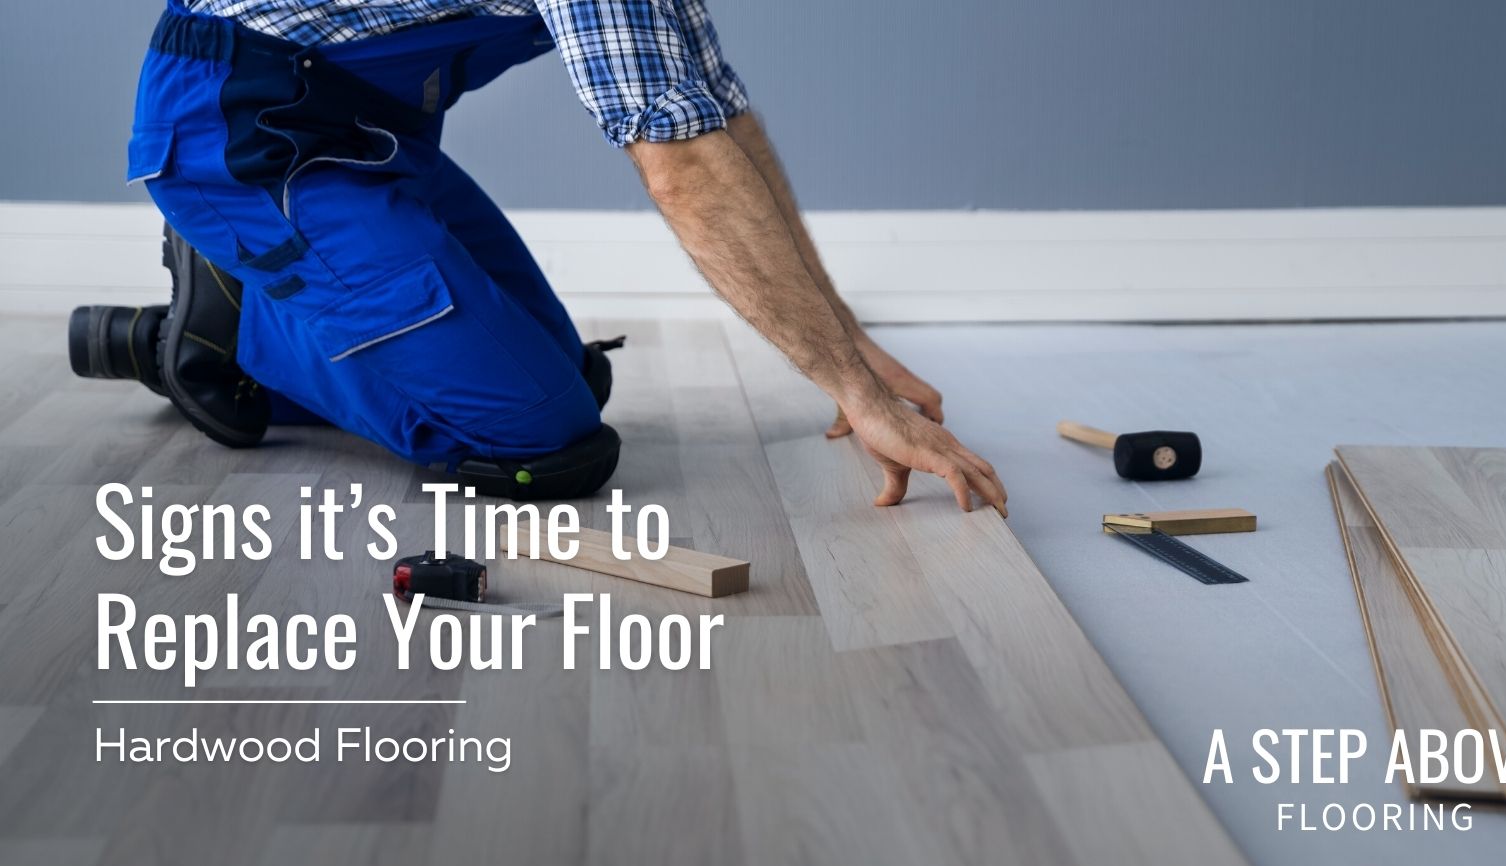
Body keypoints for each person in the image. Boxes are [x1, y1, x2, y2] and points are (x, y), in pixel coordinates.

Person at [83, 0, 1006, 514]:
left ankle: (245, 310)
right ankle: (232, 324)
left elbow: (718, 118)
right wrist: (856, 392)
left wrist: (848, 350)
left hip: (357, 133)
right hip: (243, 137)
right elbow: (682, 166)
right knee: (542, 442)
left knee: (566, 381)